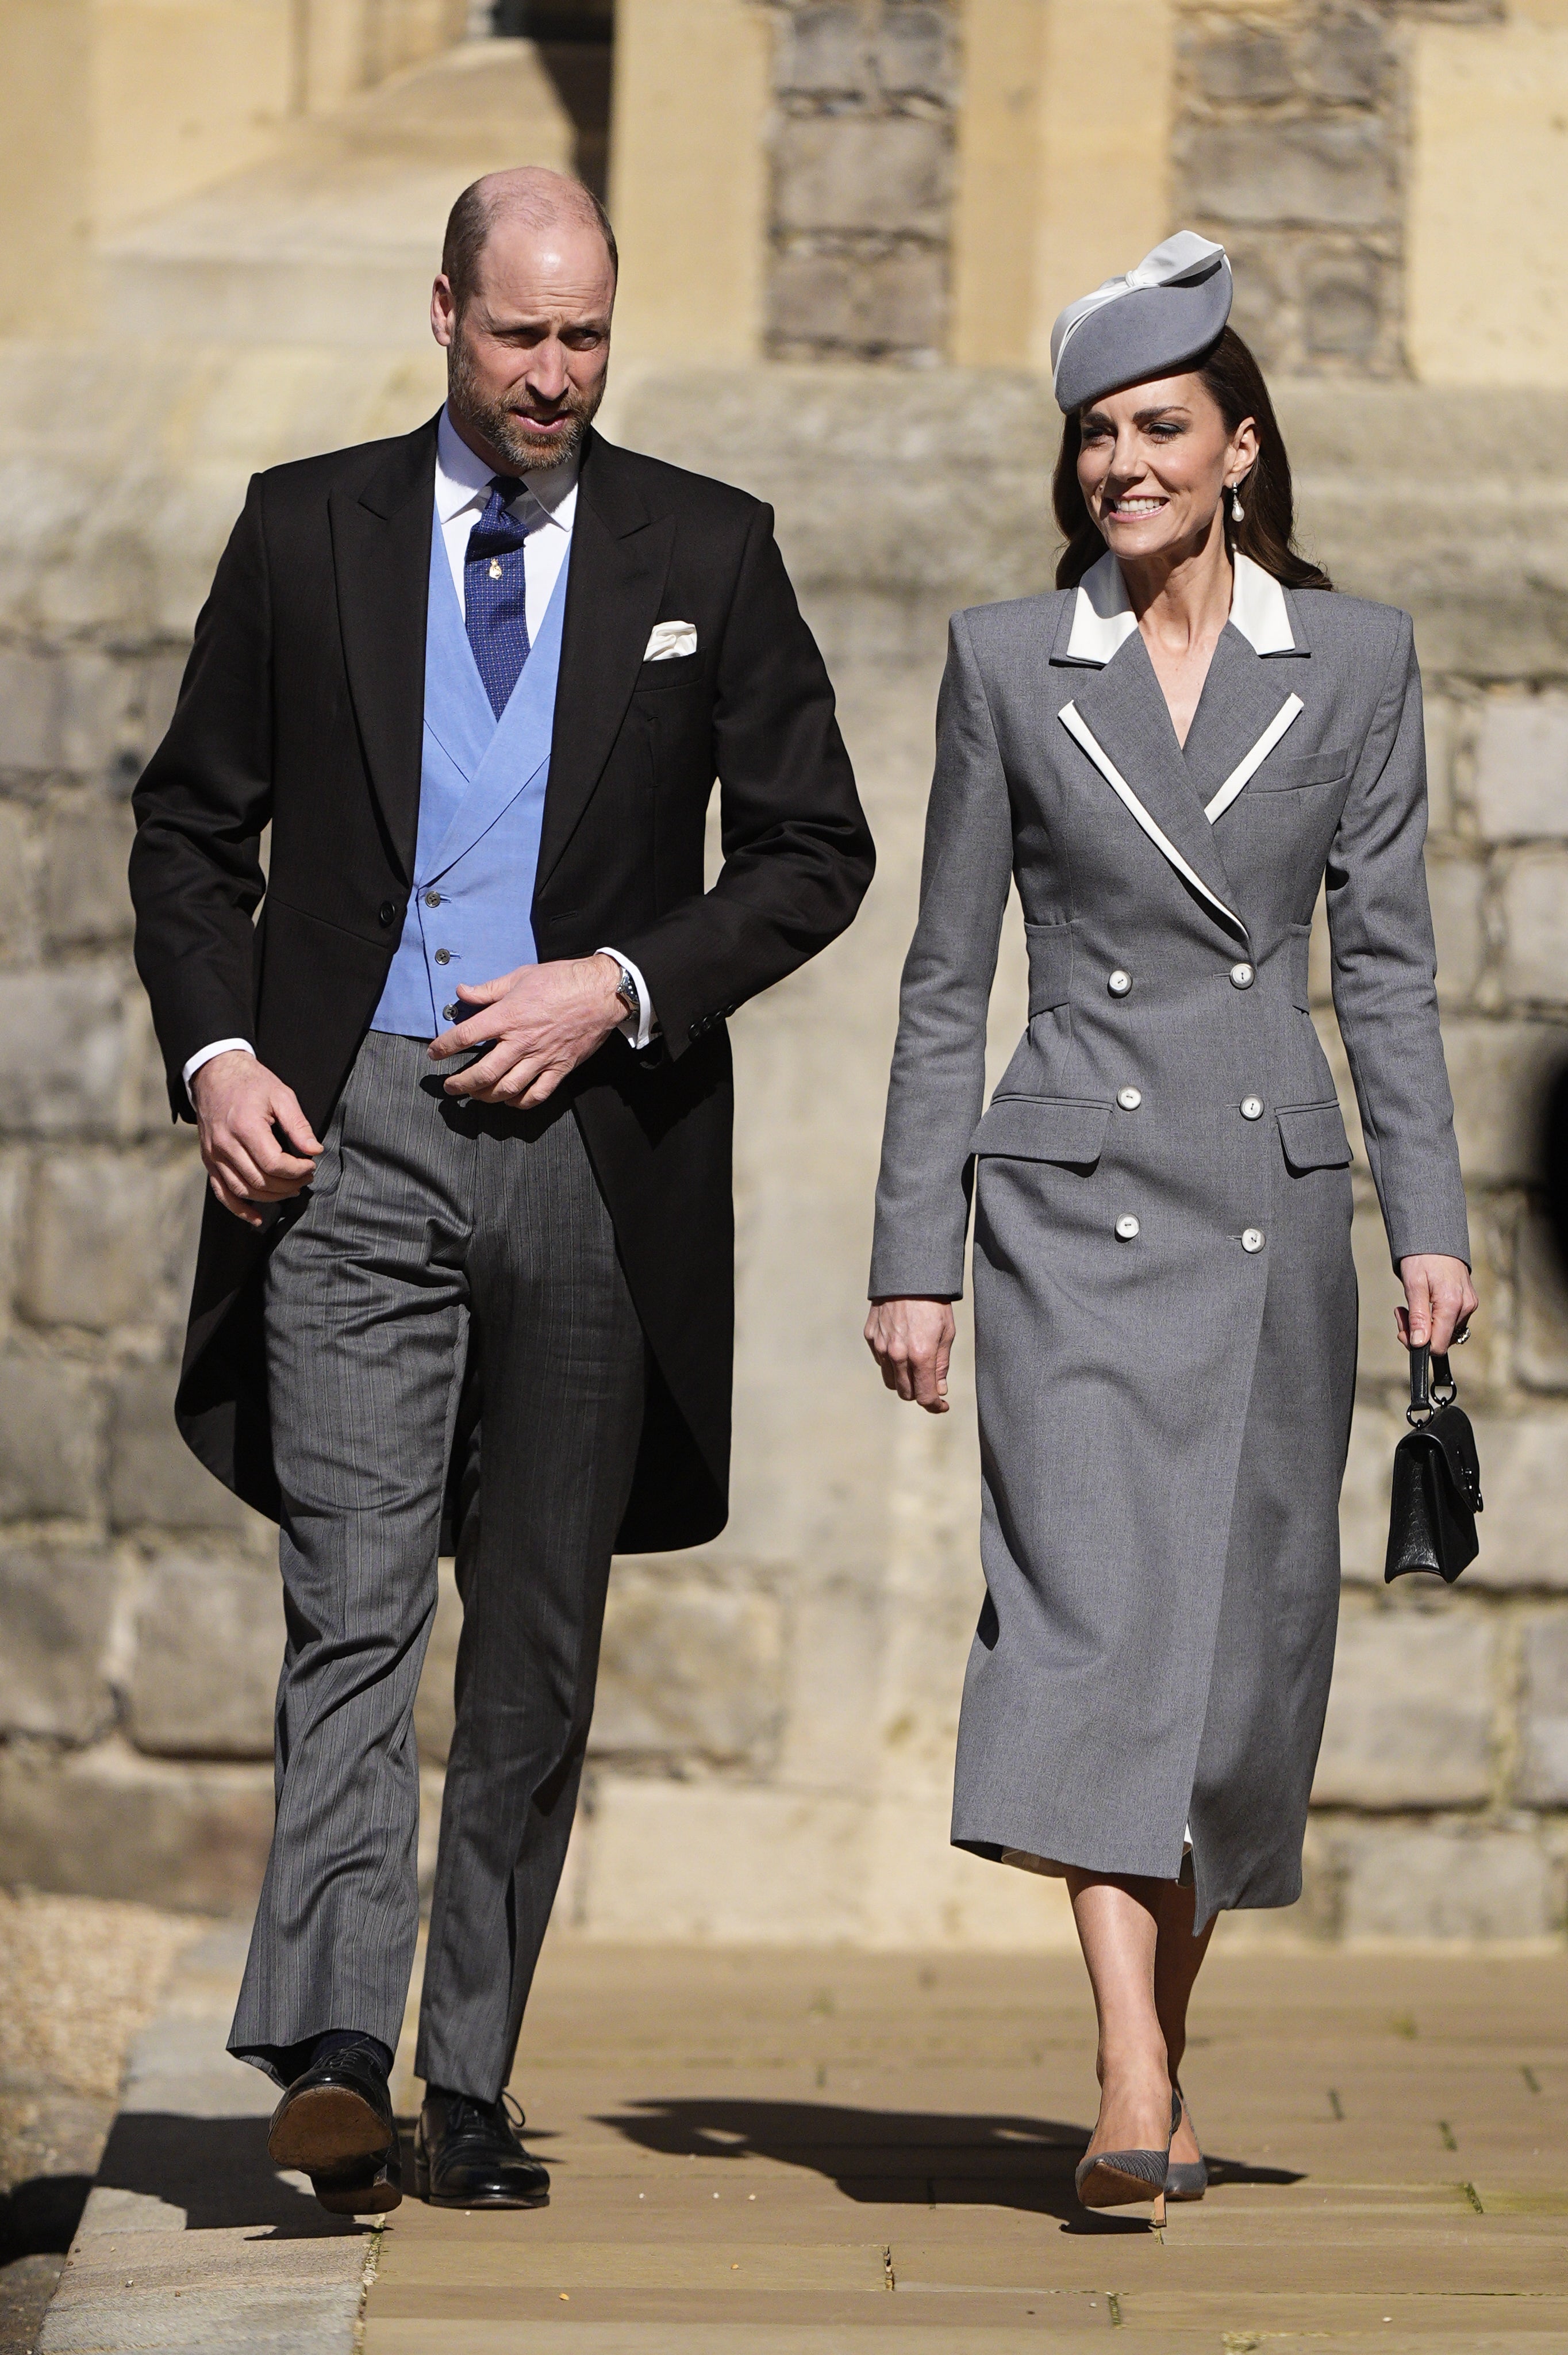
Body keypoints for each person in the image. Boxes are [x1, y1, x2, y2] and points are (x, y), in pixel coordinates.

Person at [129, 166, 873, 2218]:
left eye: (589, 339)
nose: (556, 375)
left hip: (594, 1163)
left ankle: (473, 2079)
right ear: (442, 313)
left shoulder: (708, 550)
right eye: (522, 332)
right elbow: (191, 830)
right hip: (342, 1133)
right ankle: (342, 2053)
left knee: (536, 1642)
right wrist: (219, 1060)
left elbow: (815, 847)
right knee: (353, 1603)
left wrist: (624, 985)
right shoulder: (304, 529)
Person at [864, 233, 1475, 2223]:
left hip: (1272, 1212)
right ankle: (1131, 2071)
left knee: (1234, 1668)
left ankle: (1163, 2053)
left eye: (1156, 428)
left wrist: (1429, 1226)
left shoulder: (1359, 660)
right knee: (1091, 1622)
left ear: (1238, 445)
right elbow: (946, 973)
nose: (1120, 464)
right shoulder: (1003, 663)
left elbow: (1383, 969)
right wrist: (913, 1253)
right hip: (1066, 1207)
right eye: (1095, 434)